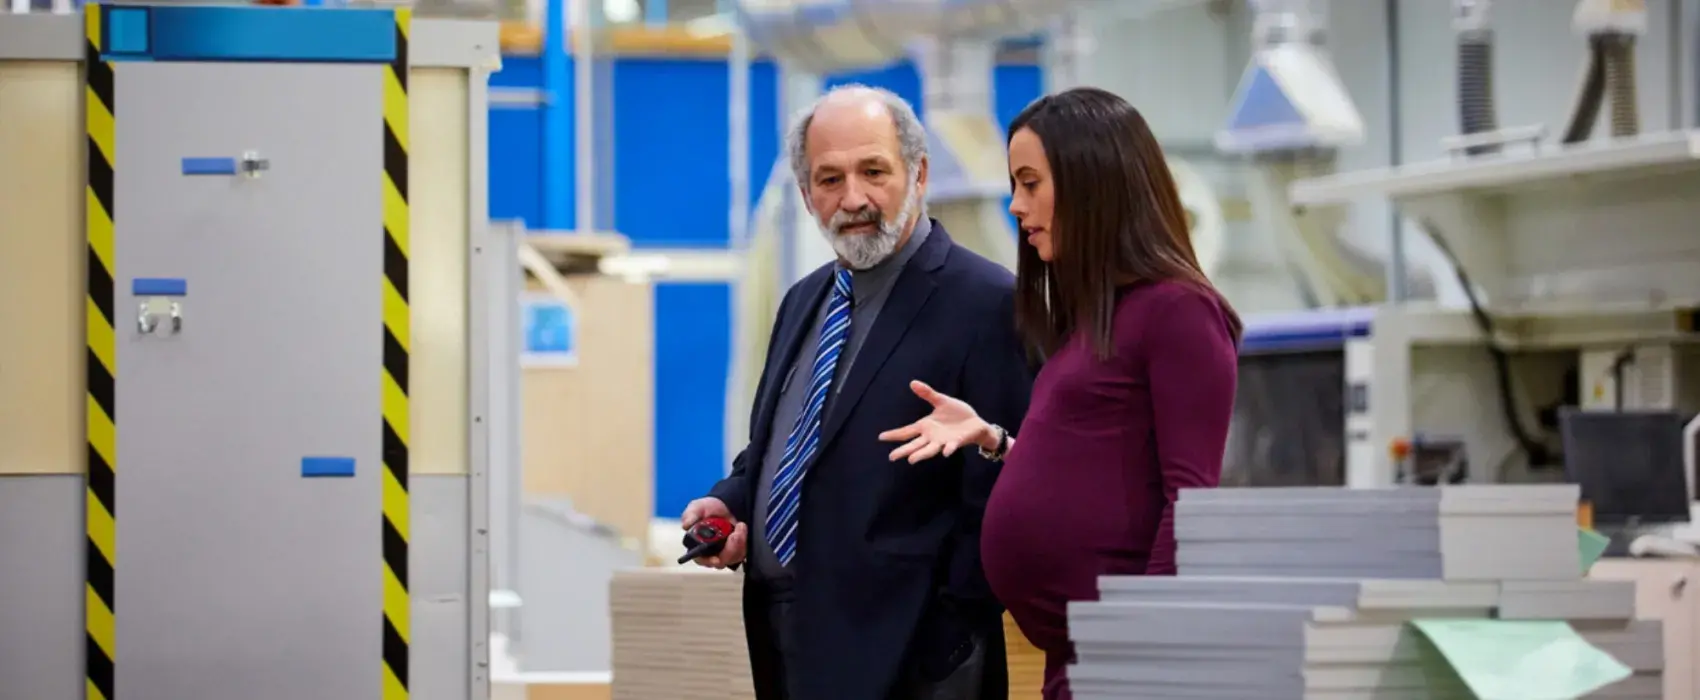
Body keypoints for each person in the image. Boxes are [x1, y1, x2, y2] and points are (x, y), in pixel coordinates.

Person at [877, 87, 1243, 700]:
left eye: (1030, 183)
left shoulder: (1179, 312)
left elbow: (1190, 504)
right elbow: (1098, 468)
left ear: (1092, 182)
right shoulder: (1095, 321)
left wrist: (1140, 649)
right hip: (1079, 656)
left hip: (1125, 665)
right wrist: (994, 440)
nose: (1016, 207)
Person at [680, 84, 1034, 700]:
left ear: (919, 174)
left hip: (910, 658)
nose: (853, 199)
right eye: (829, 179)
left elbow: (1006, 490)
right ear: (805, 192)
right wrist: (731, 504)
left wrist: (946, 637)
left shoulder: (986, 303)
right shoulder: (804, 301)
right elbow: (781, 449)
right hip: (789, 636)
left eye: (874, 172)